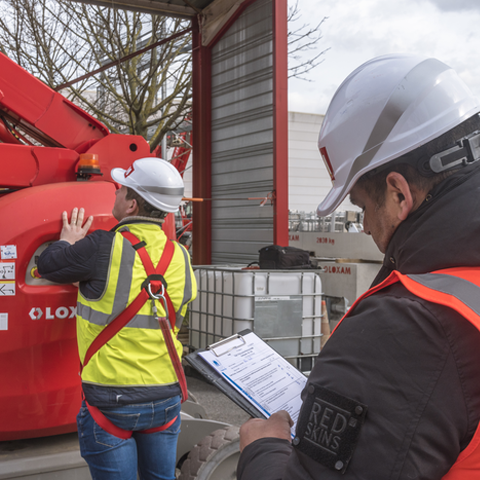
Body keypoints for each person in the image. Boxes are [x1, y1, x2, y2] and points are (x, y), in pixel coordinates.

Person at [238, 54, 480, 479]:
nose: (365, 226)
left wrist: (263, 450)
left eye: (362, 206)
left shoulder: (411, 326)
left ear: (399, 194)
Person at [38, 157, 197, 480]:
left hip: (111, 401)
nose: (116, 194)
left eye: (121, 189)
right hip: (166, 397)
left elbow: (48, 265)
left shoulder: (101, 248)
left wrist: (67, 240)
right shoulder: (181, 256)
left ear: (131, 204)